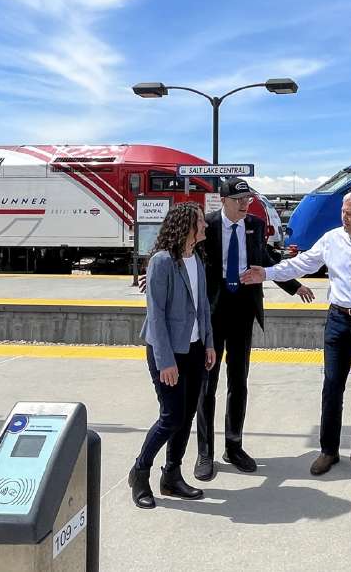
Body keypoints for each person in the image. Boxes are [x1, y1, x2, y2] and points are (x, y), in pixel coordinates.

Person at [241, 190, 351, 477]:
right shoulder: (332, 239)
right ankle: (328, 450)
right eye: (342, 212)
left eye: (348, 213)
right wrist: (266, 274)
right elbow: (301, 264)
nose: (342, 217)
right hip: (338, 321)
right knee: (332, 386)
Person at [194, 178, 314, 480]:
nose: (245, 205)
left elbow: (268, 260)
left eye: (247, 199)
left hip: (243, 311)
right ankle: (204, 452)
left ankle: (233, 445)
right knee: (207, 384)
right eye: (239, 200)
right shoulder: (206, 226)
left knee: (239, 381)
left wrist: (294, 285)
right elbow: (184, 256)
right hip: (212, 312)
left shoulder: (255, 226)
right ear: (224, 201)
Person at [129, 202, 217, 509]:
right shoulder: (162, 262)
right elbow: (156, 315)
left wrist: (208, 343)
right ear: (187, 227)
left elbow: (203, 306)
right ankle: (140, 473)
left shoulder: (198, 260)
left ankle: (172, 476)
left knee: (186, 416)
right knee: (170, 417)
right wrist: (166, 361)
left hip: (194, 350)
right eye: (201, 223)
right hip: (167, 352)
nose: (205, 226)